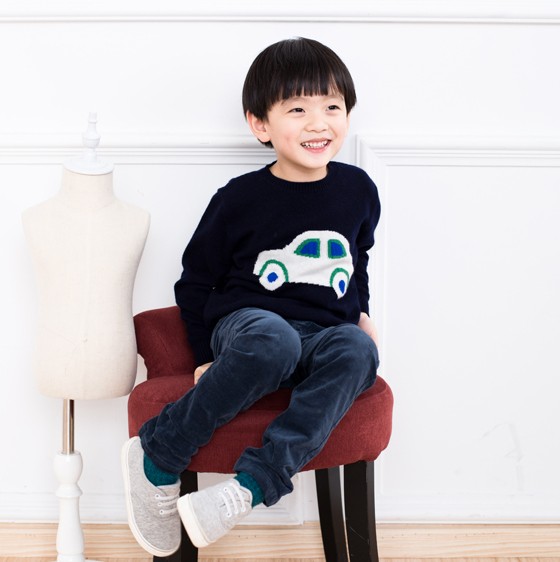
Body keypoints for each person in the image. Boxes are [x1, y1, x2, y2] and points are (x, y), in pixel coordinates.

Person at [121, 36, 381, 557]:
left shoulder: (358, 189)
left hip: (323, 335)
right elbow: (195, 281)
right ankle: (158, 453)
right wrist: (207, 356)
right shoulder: (238, 198)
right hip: (251, 327)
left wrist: (362, 314)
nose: (318, 123)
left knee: (359, 350)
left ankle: (250, 487)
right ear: (260, 124)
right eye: (298, 109)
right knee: (274, 340)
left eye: (332, 107)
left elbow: (356, 262)